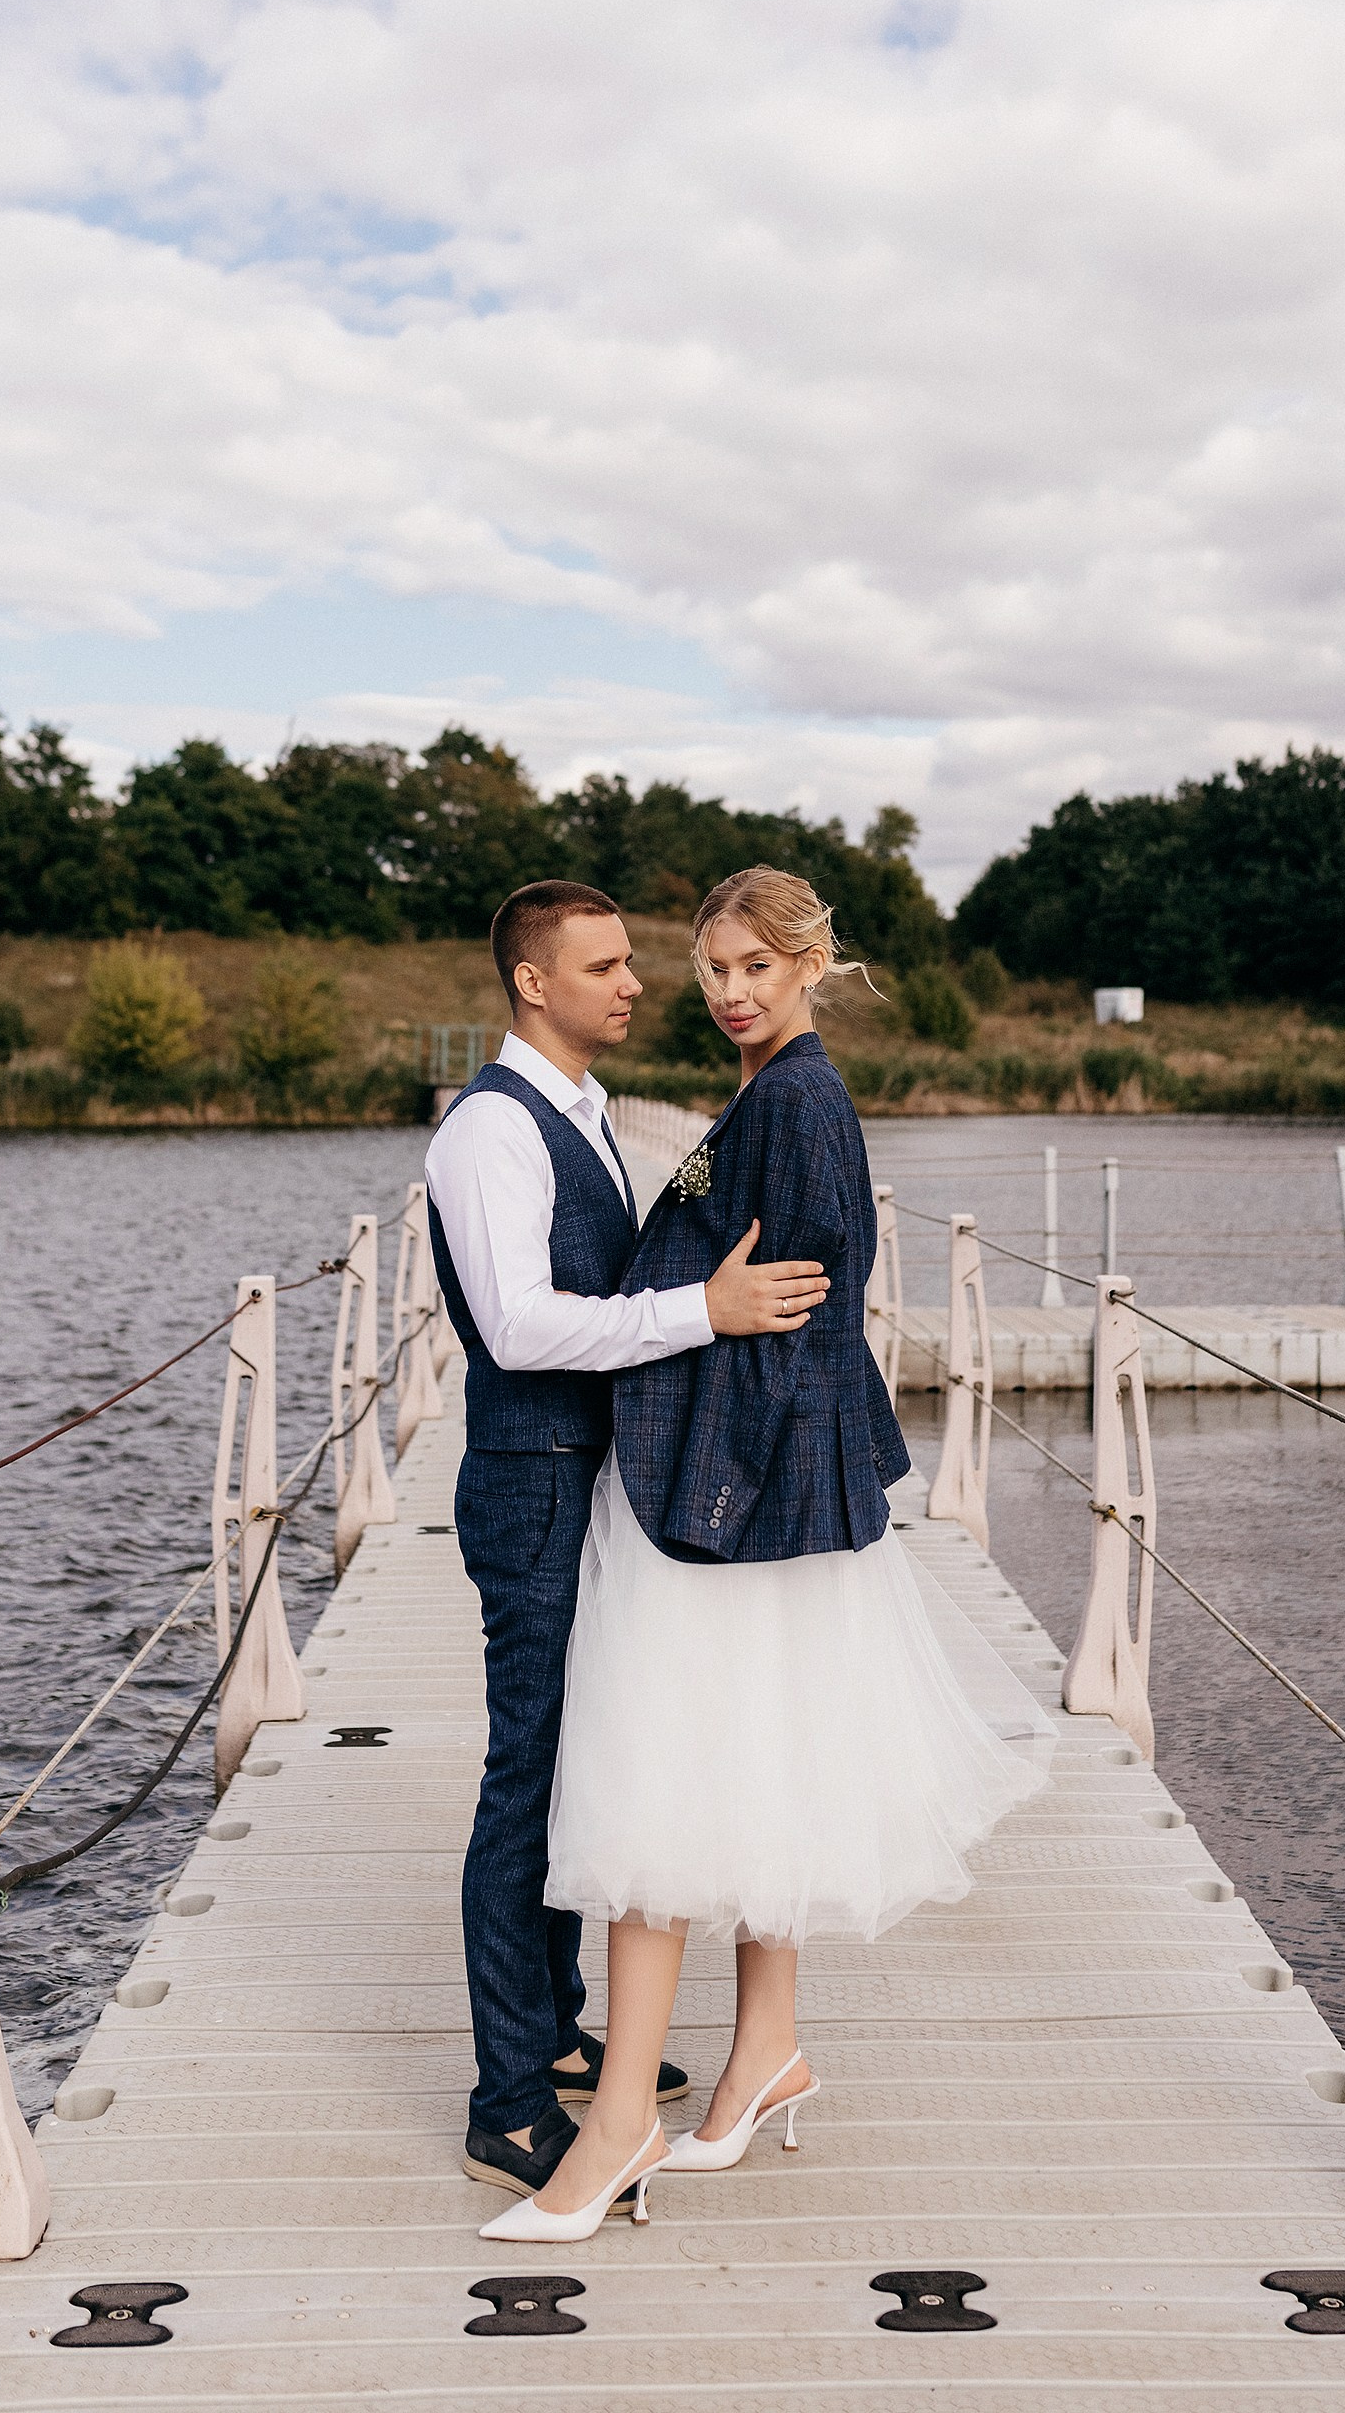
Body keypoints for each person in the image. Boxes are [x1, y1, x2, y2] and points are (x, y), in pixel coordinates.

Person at [480, 865, 1053, 2245]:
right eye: (713, 971)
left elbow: (801, 1325)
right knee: (747, 1769)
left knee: (658, 1786)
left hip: (724, 1506)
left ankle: (617, 2123)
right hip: (749, 1494)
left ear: (808, 965)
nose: (730, 991)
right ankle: (762, 2054)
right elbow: (768, 1312)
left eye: (755, 967)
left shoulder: (795, 1101)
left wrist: (706, 1507)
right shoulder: (772, 1089)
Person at [426, 878, 833, 2203]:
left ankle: (551, 2039)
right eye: (603, 966)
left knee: (570, 1768)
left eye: (631, 961)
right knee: (526, 1787)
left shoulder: (584, 1112)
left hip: (586, 1481)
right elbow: (525, 1330)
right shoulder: (489, 1133)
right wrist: (702, 1314)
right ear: (532, 983)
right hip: (531, 1484)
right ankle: (505, 2102)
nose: (635, 983)